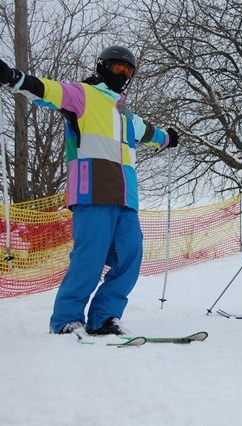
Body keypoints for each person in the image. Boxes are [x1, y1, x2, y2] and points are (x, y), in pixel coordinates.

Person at [0, 46, 179, 336]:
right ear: (102, 67)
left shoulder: (125, 113)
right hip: (92, 191)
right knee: (90, 257)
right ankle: (66, 319)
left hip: (126, 197)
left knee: (130, 255)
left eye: (128, 71)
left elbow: (149, 132)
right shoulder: (82, 94)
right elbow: (46, 90)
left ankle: (104, 317)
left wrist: (167, 138)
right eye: (117, 68)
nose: (122, 75)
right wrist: (13, 77)